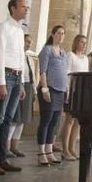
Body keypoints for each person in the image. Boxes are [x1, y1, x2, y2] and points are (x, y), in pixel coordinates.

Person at [0, 0, 29, 175]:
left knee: (9, 119)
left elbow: (20, 58)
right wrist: (1, 83)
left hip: (17, 77)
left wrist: (23, 83)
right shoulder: (3, 28)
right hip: (6, 76)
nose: (26, 9)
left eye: (27, 7)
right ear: (12, 8)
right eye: (23, 7)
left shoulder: (19, 31)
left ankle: (3, 158)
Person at [36, 25, 67, 165]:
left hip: (60, 91)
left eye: (63, 34)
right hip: (49, 89)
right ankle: (41, 152)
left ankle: (49, 150)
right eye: (59, 33)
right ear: (53, 34)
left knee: (54, 122)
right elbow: (42, 71)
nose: (61, 36)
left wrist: (66, 89)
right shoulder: (47, 50)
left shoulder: (63, 52)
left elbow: (64, 73)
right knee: (46, 121)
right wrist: (44, 89)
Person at [60, 34, 89, 161]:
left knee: (78, 121)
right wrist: (67, 90)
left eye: (85, 43)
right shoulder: (70, 55)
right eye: (81, 42)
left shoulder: (85, 59)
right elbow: (67, 73)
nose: (83, 44)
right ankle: (65, 149)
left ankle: (72, 147)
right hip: (71, 90)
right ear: (76, 43)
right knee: (69, 121)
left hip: (82, 91)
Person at [9, 33, 38, 158]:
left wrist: (35, 91)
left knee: (23, 119)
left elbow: (33, 75)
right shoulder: (16, 55)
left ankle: (15, 146)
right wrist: (20, 86)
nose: (29, 43)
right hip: (19, 85)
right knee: (15, 118)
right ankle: (6, 146)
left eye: (30, 41)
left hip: (28, 86)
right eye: (26, 41)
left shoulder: (29, 57)